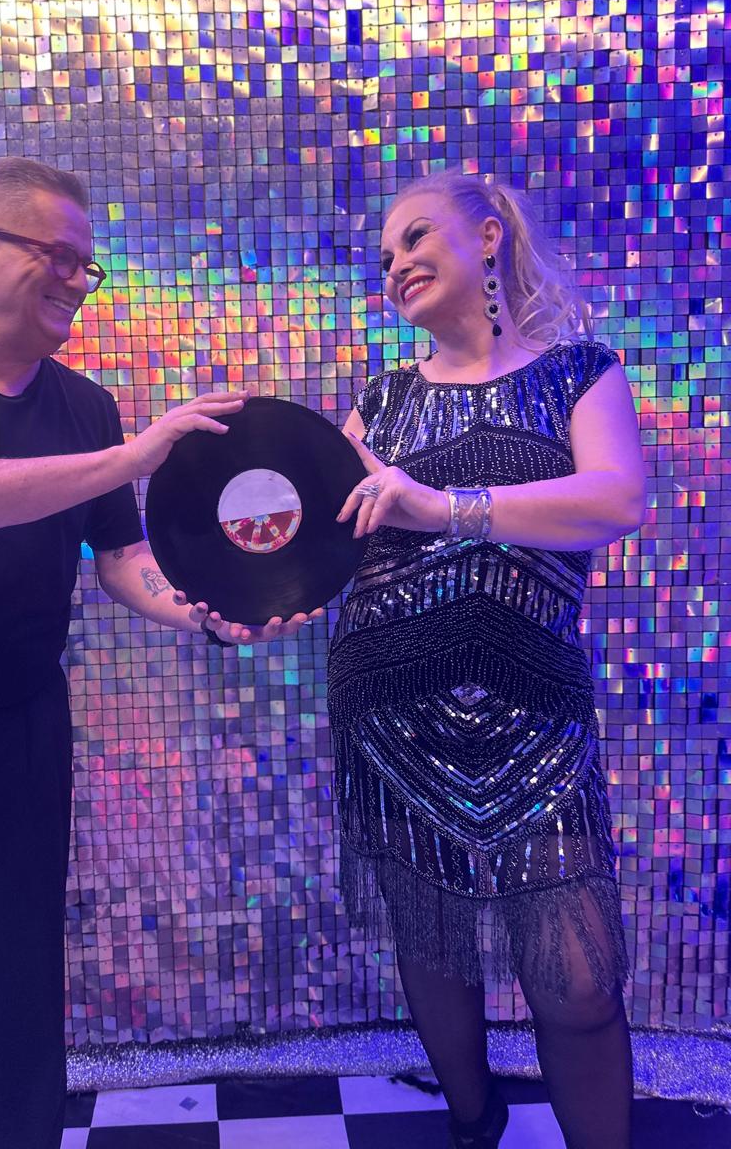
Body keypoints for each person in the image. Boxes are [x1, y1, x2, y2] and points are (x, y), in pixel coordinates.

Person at [0, 156, 312, 1149]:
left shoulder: (84, 407)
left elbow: (122, 558)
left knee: (24, 992)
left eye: (89, 266)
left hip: (21, 728)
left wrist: (205, 610)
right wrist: (129, 457)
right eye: (59, 258)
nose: (79, 283)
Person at [331, 170, 645, 1149]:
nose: (397, 264)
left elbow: (617, 498)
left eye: (417, 236)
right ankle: (475, 1123)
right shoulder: (383, 401)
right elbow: (319, 544)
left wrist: (446, 507)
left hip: (535, 712)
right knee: (436, 946)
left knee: (580, 980)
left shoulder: (578, 372)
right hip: (392, 712)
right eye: (386, 255)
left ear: (490, 236)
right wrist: (241, 596)